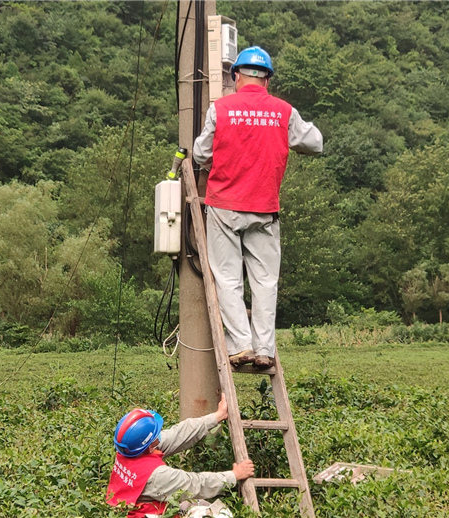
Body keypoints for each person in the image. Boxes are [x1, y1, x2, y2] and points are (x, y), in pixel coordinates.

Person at [193, 46, 323, 369]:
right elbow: (316, 143)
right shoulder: (283, 111)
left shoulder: (220, 109)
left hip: (224, 206)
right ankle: (264, 349)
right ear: (267, 80)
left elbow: (199, 154)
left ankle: (240, 345)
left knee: (227, 278)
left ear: (236, 76)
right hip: (264, 207)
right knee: (265, 282)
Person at [106, 394, 254, 518]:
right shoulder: (157, 476)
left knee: (196, 504)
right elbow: (196, 484)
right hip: (146, 513)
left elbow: (178, 434)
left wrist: (216, 416)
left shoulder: (128, 450)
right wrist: (234, 475)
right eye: (156, 434)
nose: (159, 435)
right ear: (150, 446)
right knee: (218, 514)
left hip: (135, 506)